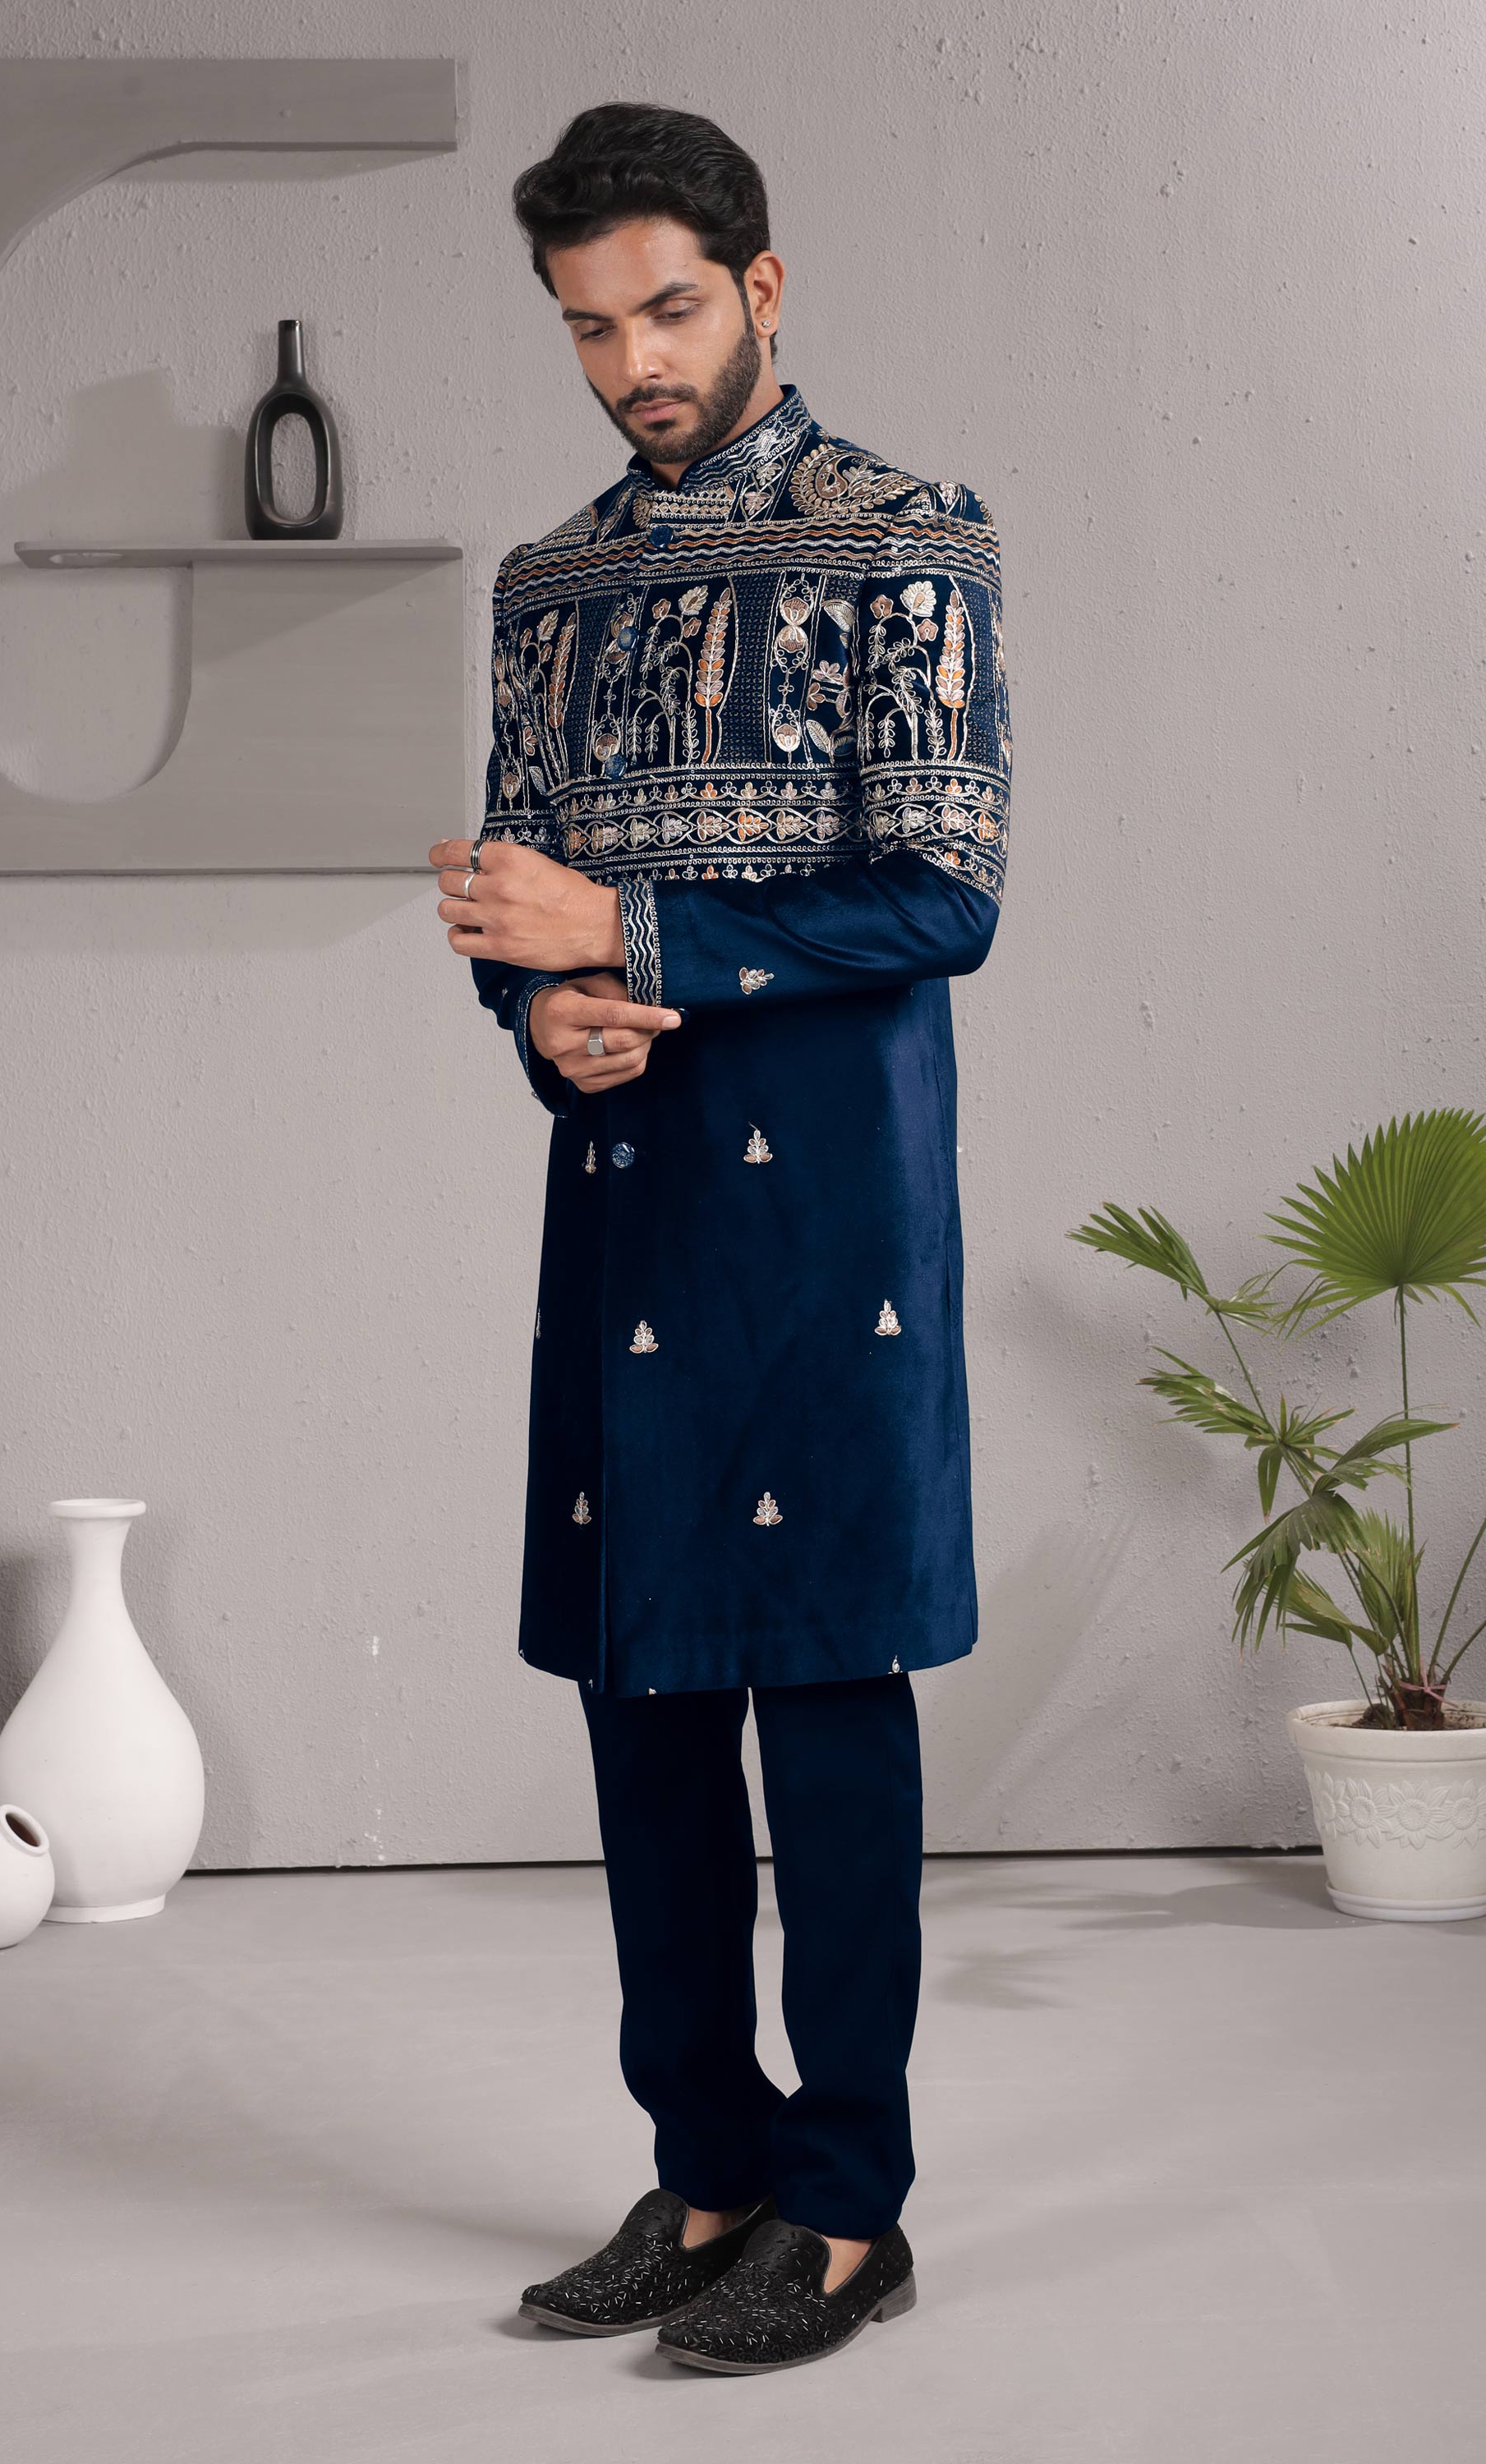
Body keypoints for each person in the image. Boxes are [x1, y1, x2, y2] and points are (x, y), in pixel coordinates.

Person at [426, 100, 1011, 2376]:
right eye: (591, 329)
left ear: (761, 288)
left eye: (668, 311)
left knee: (827, 1692)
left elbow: (942, 893)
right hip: (631, 1201)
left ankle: (849, 2209)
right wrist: (545, 1014)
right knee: (644, 1695)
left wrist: (631, 924)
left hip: (836, 1217)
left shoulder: (908, 541)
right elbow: (516, 902)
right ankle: (705, 2171)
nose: (636, 365)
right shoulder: (545, 588)